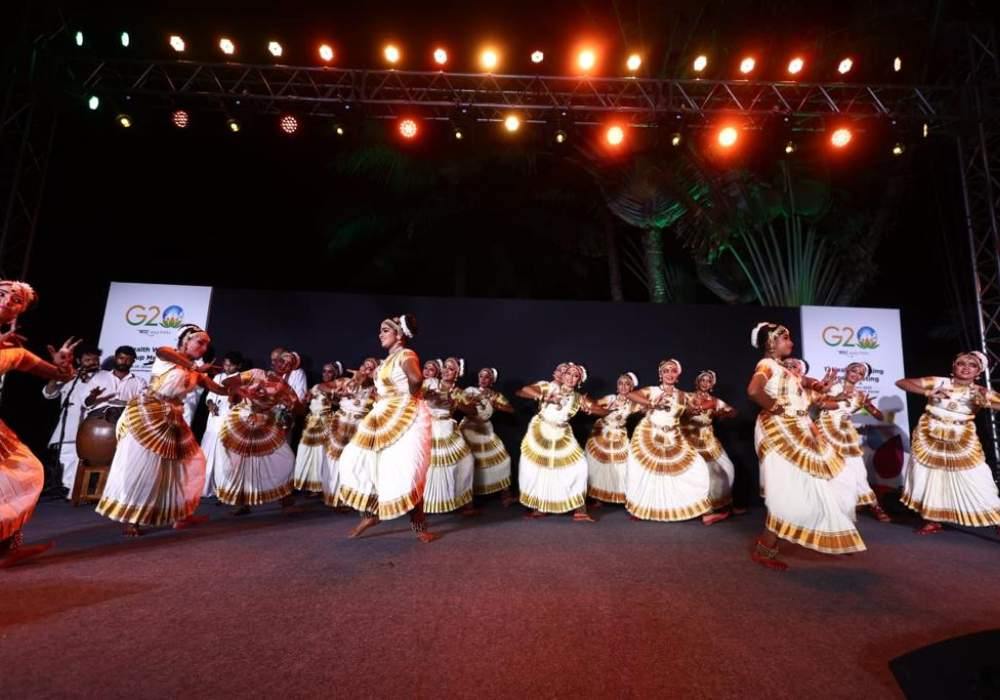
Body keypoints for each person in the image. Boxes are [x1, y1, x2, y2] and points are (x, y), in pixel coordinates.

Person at [746, 322, 864, 571]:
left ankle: (772, 541)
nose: (791, 343)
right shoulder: (766, 365)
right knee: (788, 488)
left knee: (803, 485)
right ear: (771, 342)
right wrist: (775, 407)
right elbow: (754, 390)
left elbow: (809, 382)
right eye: (785, 339)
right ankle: (765, 547)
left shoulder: (785, 370)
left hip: (797, 428)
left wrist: (821, 385)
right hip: (779, 429)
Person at [95, 324, 229, 536]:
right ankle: (133, 519)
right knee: (143, 466)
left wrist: (242, 386)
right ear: (185, 339)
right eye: (200, 342)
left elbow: (220, 389)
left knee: (190, 463)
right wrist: (194, 368)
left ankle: (182, 514)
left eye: (206, 345)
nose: (204, 348)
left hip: (173, 417)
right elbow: (162, 351)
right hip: (148, 414)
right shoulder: (169, 356)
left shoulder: (195, 371)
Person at [337, 315, 437, 542]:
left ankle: (419, 526)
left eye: (385, 330)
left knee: (406, 471)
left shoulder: (406, 354)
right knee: (362, 462)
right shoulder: (387, 361)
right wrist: (364, 381)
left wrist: (409, 397)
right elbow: (386, 386)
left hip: (406, 416)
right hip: (383, 415)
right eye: (380, 330)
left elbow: (416, 379)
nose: (380, 334)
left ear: (399, 335)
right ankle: (371, 514)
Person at [0, 279, 77, 566]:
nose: (8, 301)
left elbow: (58, 375)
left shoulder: (15, 350)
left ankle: (6, 547)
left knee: (24, 472)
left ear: (19, 312)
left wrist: (63, 365)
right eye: (2, 294)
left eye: (16, 301)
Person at [896, 351, 1000, 534]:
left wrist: (986, 401)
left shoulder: (980, 391)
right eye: (961, 363)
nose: (966, 367)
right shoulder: (939, 382)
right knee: (928, 476)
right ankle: (932, 519)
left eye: (973, 365)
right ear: (954, 366)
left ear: (979, 373)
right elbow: (902, 382)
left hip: (961, 439)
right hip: (930, 435)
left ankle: (997, 519)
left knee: (977, 477)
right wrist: (928, 391)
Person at [625, 360, 715, 523]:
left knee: (698, 467)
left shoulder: (683, 395)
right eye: (666, 371)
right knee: (646, 474)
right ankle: (640, 508)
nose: (669, 374)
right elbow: (630, 394)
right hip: (649, 432)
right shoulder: (653, 390)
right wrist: (651, 403)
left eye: (673, 371)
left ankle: (705, 511)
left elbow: (707, 404)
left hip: (673, 436)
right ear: (660, 374)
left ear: (678, 375)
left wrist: (696, 409)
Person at [215, 352, 304, 514]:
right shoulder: (256, 373)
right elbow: (227, 382)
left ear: (291, 369)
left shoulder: (285, 388)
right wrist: (242, 392)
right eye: (281, 361)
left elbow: (299, 409)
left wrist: (292, 405)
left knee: (286, 459)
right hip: (242, 419)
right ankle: (241, 502)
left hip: (264, 423)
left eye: (289, 364)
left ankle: (285, 499)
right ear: (274, 362)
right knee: (240, 463)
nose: (283, 364)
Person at [516, 362, 604, 522]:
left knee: (580, 466)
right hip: (541, 429)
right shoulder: (549, 387)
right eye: (568, 373)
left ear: (579, 381)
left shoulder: (579, 398)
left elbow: (602, 411)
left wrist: (591, 409)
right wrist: (544, 397)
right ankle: (539, 507)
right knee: (539, 468)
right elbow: (523, 391)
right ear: (563, 376)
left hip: (562, 432)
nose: (571, 377)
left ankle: (580, 510)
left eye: (575, 375)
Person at [817, 362, 891, 522]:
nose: (856, 374)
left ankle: (874, 505)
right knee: (828, 469)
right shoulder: (832, 385)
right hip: (824, 429)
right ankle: (828, 506)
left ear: (863, 378)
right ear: (847, 370)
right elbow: (815, 401)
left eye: (860, 373)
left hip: (845, 433)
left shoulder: (860, 396)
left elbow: (880, 417)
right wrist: (832, 394)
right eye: (854, 370)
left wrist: (869, 407)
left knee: (858, 469)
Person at [41, 345, 102, 493]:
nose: (92, 363)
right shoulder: (69, 376)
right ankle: (68, 490)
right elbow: (48, 393)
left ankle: (80, 491)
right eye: (88, 360)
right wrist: (56, 374)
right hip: (68, 427)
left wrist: (88, 380)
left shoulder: (104, 377)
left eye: (95, 360)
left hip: (92, 428)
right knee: (67, 460)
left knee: (88, 461)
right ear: (78, 361)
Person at [681, 370, 738, 522]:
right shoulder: (687, 397)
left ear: (712, 384)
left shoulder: (715, 400)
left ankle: (721, 504)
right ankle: (704, 510)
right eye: (703, 380)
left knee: (728, 469)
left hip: (709, 441)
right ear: (697, 382)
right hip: (690, 440)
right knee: (702, 474)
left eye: (709, 381)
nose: (705, 383)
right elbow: (681, 413)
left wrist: (724, 413)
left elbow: (733, 411)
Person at [460, 367, 516, 506]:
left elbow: (511, 409)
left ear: (492, 381)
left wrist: (496, 405)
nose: (483, 379)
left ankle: (506, 494)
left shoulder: (495, 395)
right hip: (469, 428)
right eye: (481, 376)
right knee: (469, 462)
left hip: (485, 429)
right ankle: (467, 500)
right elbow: (460, 404)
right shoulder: (470, 391)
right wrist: (473, 401)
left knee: (503, 459)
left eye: (487, 377)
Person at [585, 372, 641, 507]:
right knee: (598, 466)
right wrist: (587, 403)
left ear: (632, 387)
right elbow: (594, 404)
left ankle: (624, 497)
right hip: (602, 434)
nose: (623, 386)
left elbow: (647, 409)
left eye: (627, 384)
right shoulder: (610, 398)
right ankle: (598, 497)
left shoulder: (634, 404)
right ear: (617, 386)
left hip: (618, 436)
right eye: (620, 383)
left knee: (621, 467)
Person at [293, 362, 342, 494]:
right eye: (324, 371)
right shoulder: (316, 386)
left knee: (321, 454)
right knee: (307, 452)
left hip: (325, 422)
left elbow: (339, 403)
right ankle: (310, 484)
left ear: (335, 374)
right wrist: (307, 398)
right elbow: (306, 401)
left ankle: (322, 486)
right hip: (311, 423)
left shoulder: (338, 387)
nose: (326, 374)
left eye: (329, 371)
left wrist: (331, 397)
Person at [202, 351, 243, 497]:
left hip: (227, 420)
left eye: (230, 365)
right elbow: (209, 396)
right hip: (213, 420)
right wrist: (210, 404)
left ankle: (224, 488)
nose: (227, 368)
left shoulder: (242, 380)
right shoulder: (218, 377)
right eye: (225, 364)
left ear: (238, 366)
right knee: (208, 452)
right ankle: (205, 487)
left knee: (223, 456)